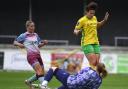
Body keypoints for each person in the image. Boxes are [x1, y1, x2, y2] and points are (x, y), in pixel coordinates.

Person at [74, 2, 109, 69]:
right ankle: (87, 76)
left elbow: (97, 25)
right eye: (91, 13)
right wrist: (77, 32)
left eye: (93, 13)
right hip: (87, 43)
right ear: (86, 12)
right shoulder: (82, 20)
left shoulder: (94, 18)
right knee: (93, 62)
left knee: (97, 63)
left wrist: (104, 20)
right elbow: (75, 30)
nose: (92, 15)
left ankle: (92, 77)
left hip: (96, 42)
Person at [13, 20, 48, 89]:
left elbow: (38, 45)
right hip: (31, 56)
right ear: (27, 27)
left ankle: (29, 81)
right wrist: (19, 44)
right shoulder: (24, 35)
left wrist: (44, 43)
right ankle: (44, 87)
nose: (33, 27)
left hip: (38, 55)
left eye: (34, 26)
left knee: (41, 73)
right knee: (40, 71)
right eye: (31, 26)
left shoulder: (36, 35)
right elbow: (14, 42)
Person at [40, 62, 107, 89]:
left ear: (96, 67)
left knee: (53, 69)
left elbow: (78, 75)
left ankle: (43, 85)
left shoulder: (89, 70)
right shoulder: (99, 81)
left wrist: (76, 68)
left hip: (71, 82)